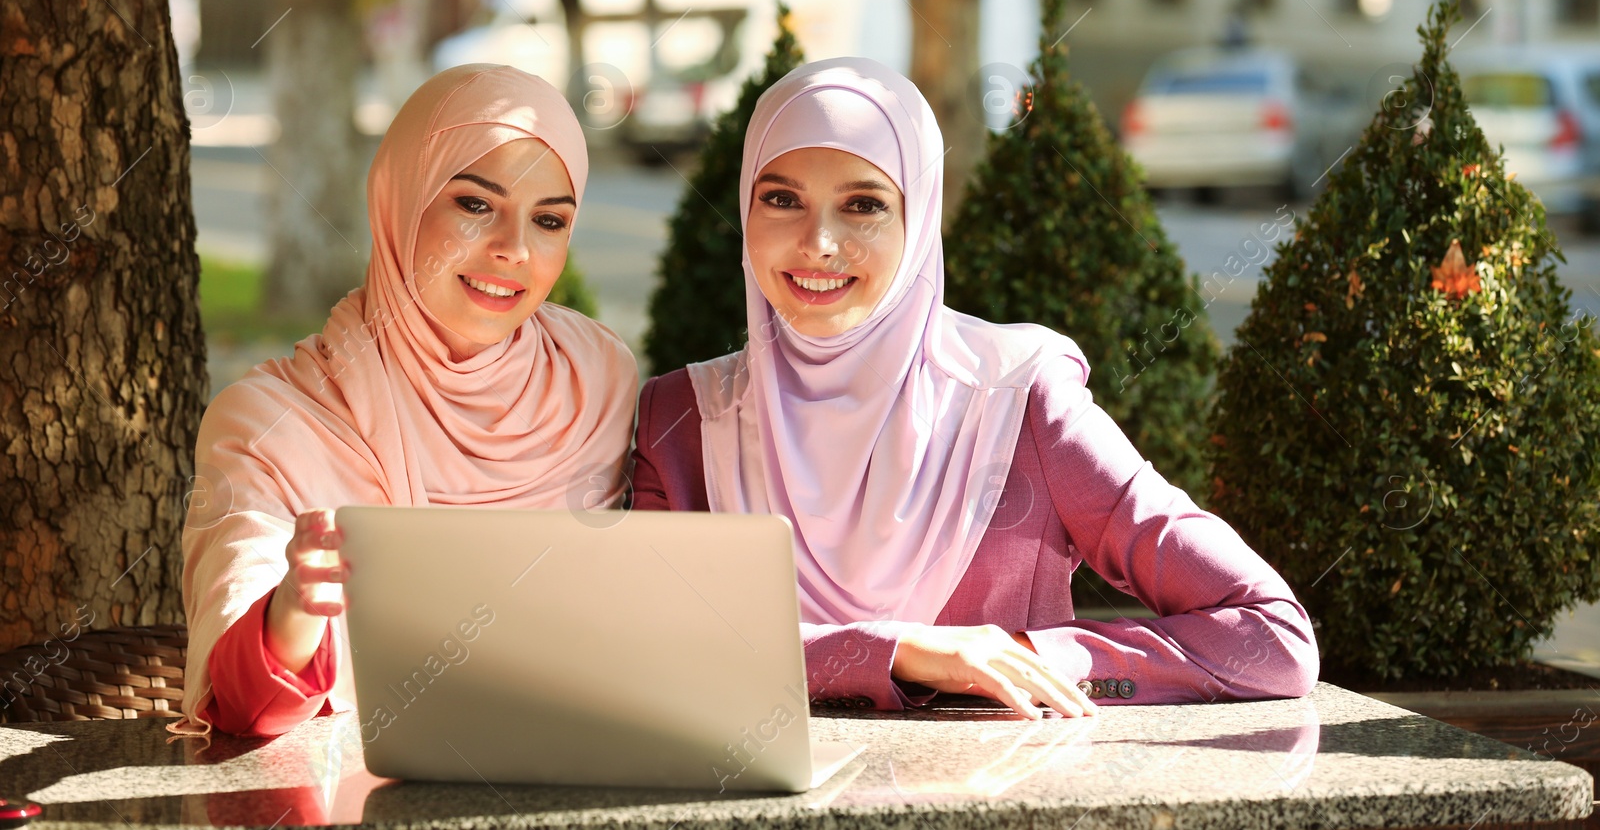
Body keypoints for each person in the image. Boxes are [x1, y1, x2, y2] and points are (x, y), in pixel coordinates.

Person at [630, 58, 1318, 718]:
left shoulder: (1019, 401)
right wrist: (899, 651)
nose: (819, 242)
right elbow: (654, 650)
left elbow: (1272, 638)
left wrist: (1027, 657)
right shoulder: (680, 421)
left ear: (919, 220)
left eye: (864, 205)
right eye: (781, 198)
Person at [179, 65, 637, 738]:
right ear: (400, 198)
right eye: (475, 204)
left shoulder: (594, 381)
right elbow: (243, 704)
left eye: (548, 220)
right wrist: (294, 612)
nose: (513, 249)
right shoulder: (270, 423)